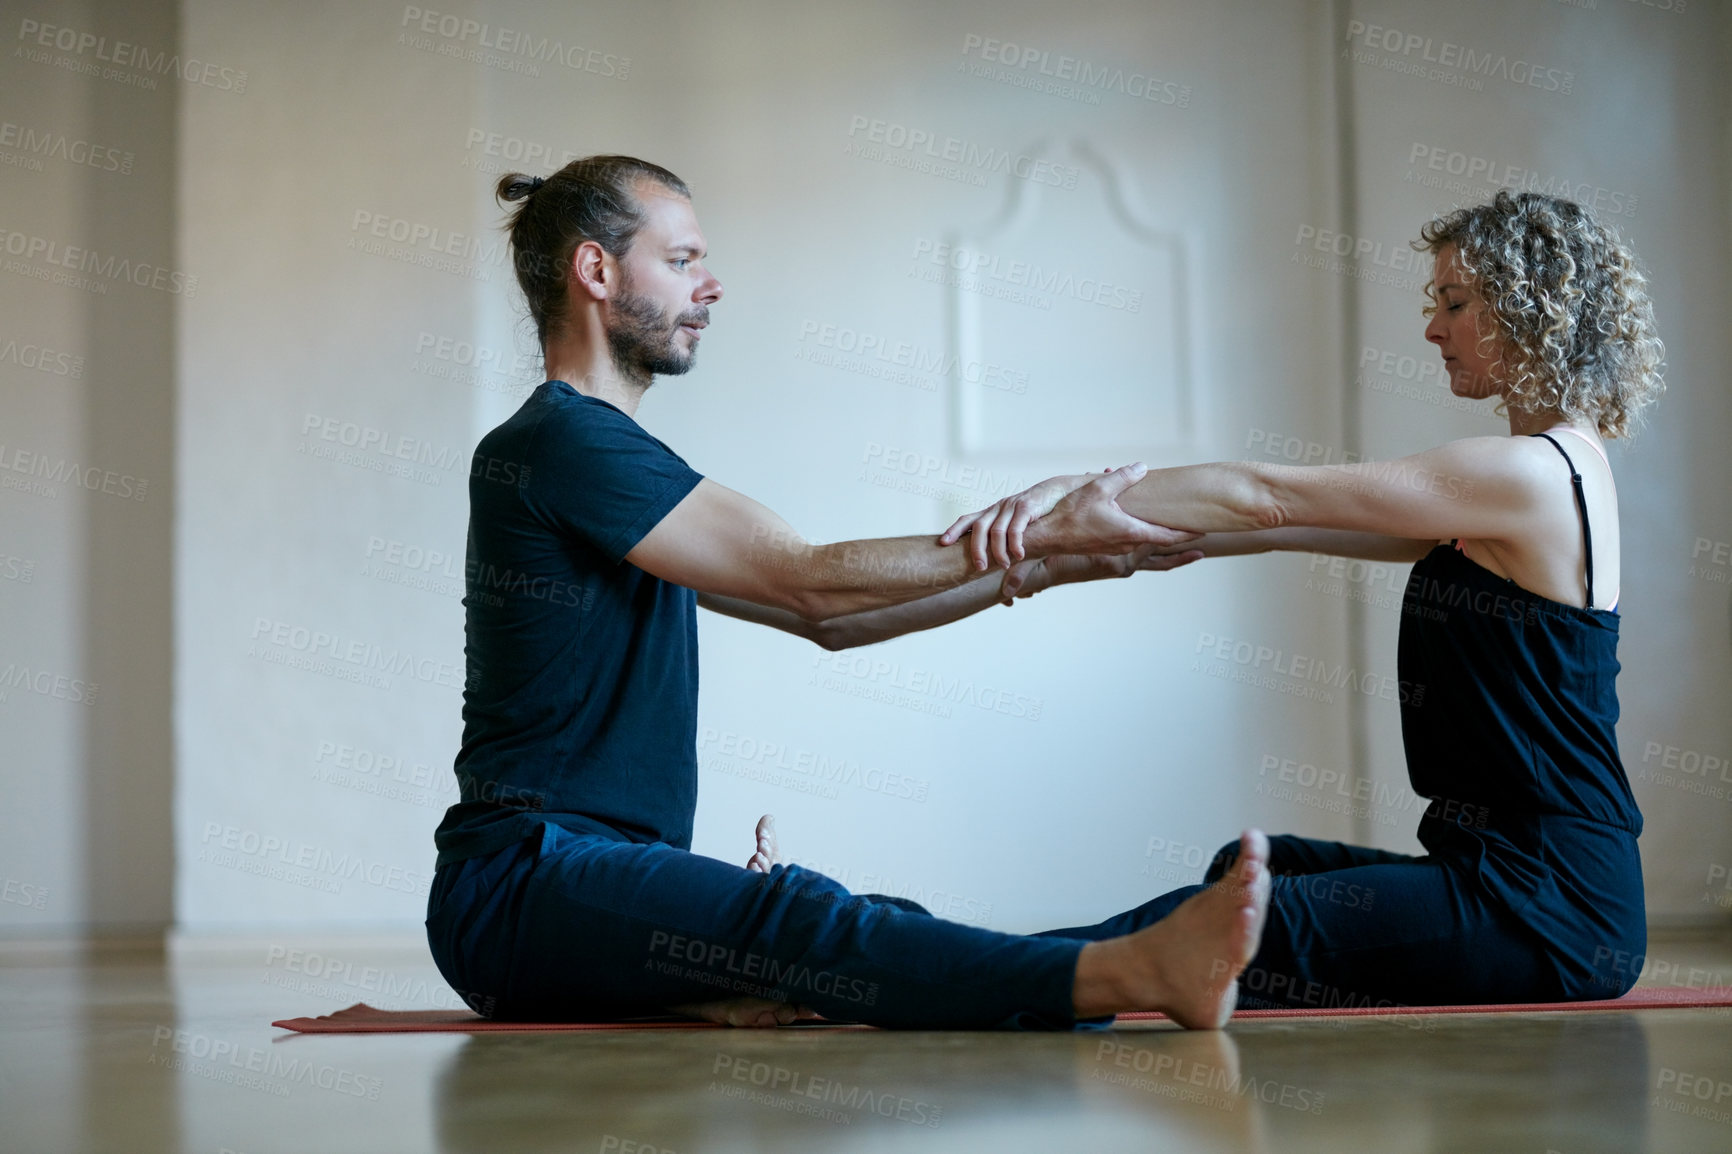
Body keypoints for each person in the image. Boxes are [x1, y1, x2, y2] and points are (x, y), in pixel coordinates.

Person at [425, 154, 1273, 1031]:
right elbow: (810, 579)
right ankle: (1133, 972)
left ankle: (1136, 962)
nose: (710, 286)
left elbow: (830, 624)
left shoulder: (613, 460)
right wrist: (1050, 528)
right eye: (681, 261)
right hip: (522, 880)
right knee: (805, 923)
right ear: (595, 271)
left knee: (868, 933)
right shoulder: (563, 443)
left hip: (585, 880)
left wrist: (1046, 566)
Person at [942, 190, 1664, 1008]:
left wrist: (1070, 492)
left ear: (1530, 308)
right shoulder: (1546, 475)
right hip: (1515, 871)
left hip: (1547, 904)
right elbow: (1276, 526)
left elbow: (1266, 495)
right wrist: (1082, 547)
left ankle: (903, 973)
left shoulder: (1528, 475)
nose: (1433, 329)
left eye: (1455, 304)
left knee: (1205, 926)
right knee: (1244, 870)